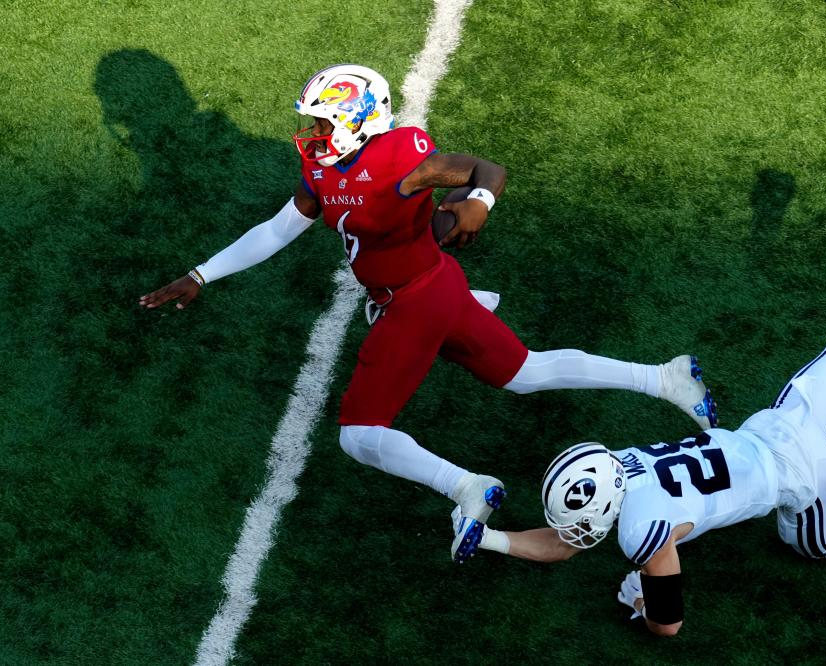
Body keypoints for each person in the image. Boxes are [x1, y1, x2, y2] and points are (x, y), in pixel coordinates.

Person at [137, 64, 718, 562]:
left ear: (360, 119)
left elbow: (485, 171)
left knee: (359, 434)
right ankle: (664, 378)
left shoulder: (400, 156)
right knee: (525, 373)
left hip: (416, 300)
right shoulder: (321, 169)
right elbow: (278, 229)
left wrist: (479, 205)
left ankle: (467, 487)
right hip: (431, 287)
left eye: (324, 122)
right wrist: (199, 274)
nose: (314, 133)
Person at [469, 181, 826, 632]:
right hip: (772, 426)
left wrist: (642, 605)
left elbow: (669, 625)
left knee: (820, 543)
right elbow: (563, 541)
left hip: (805, 474)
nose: (576, 530)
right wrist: (486, 537)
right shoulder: (616, 465)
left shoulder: (642, 530)